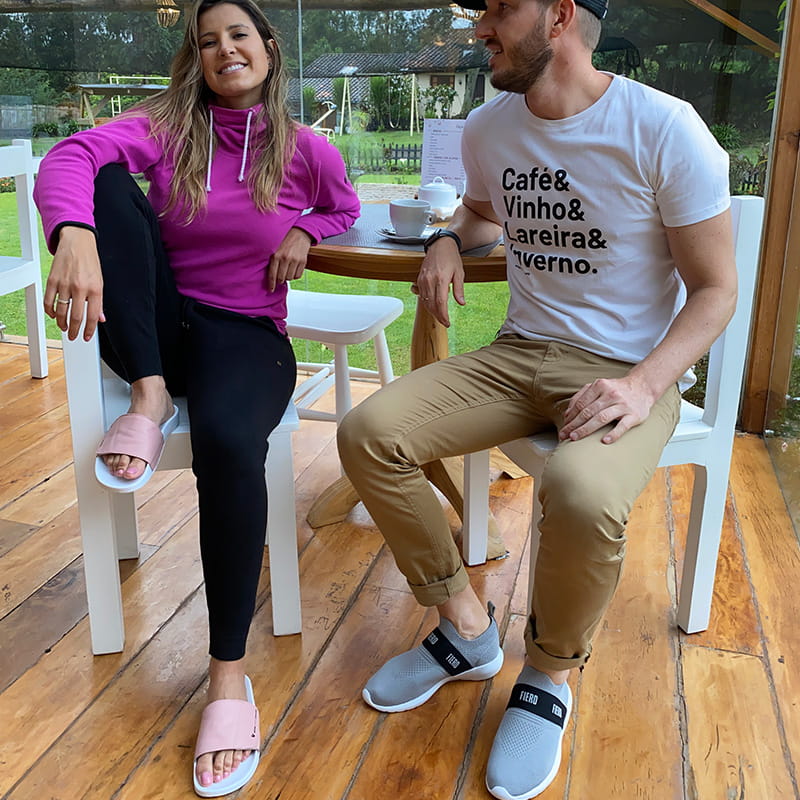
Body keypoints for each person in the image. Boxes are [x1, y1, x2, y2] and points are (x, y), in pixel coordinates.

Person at [337, 0, 735, 796]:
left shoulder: (666, 128)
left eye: (499, 8)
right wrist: (448, 239)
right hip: (518, 353)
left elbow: (716, 290)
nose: (480, 26)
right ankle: (467, 629)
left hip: (626, 368)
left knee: (581, 491)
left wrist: (643, 384)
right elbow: (482, 212)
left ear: (558, 16)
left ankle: (548, 673)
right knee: (368, 431)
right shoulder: (491, 128)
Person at [33, 1, 359, 795]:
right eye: (208, 41)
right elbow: (71, 155)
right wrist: (73, 233)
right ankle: (148, 397)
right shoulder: (170, 128)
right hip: (161, 331)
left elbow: (346, 205)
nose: (225, 49)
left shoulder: (307, 149)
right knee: (106, 177)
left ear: (268, 48)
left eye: (238, 35)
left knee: (227, 441)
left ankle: (227, 677)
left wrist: (307, 229)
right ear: (197, 60)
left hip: (246, 334)